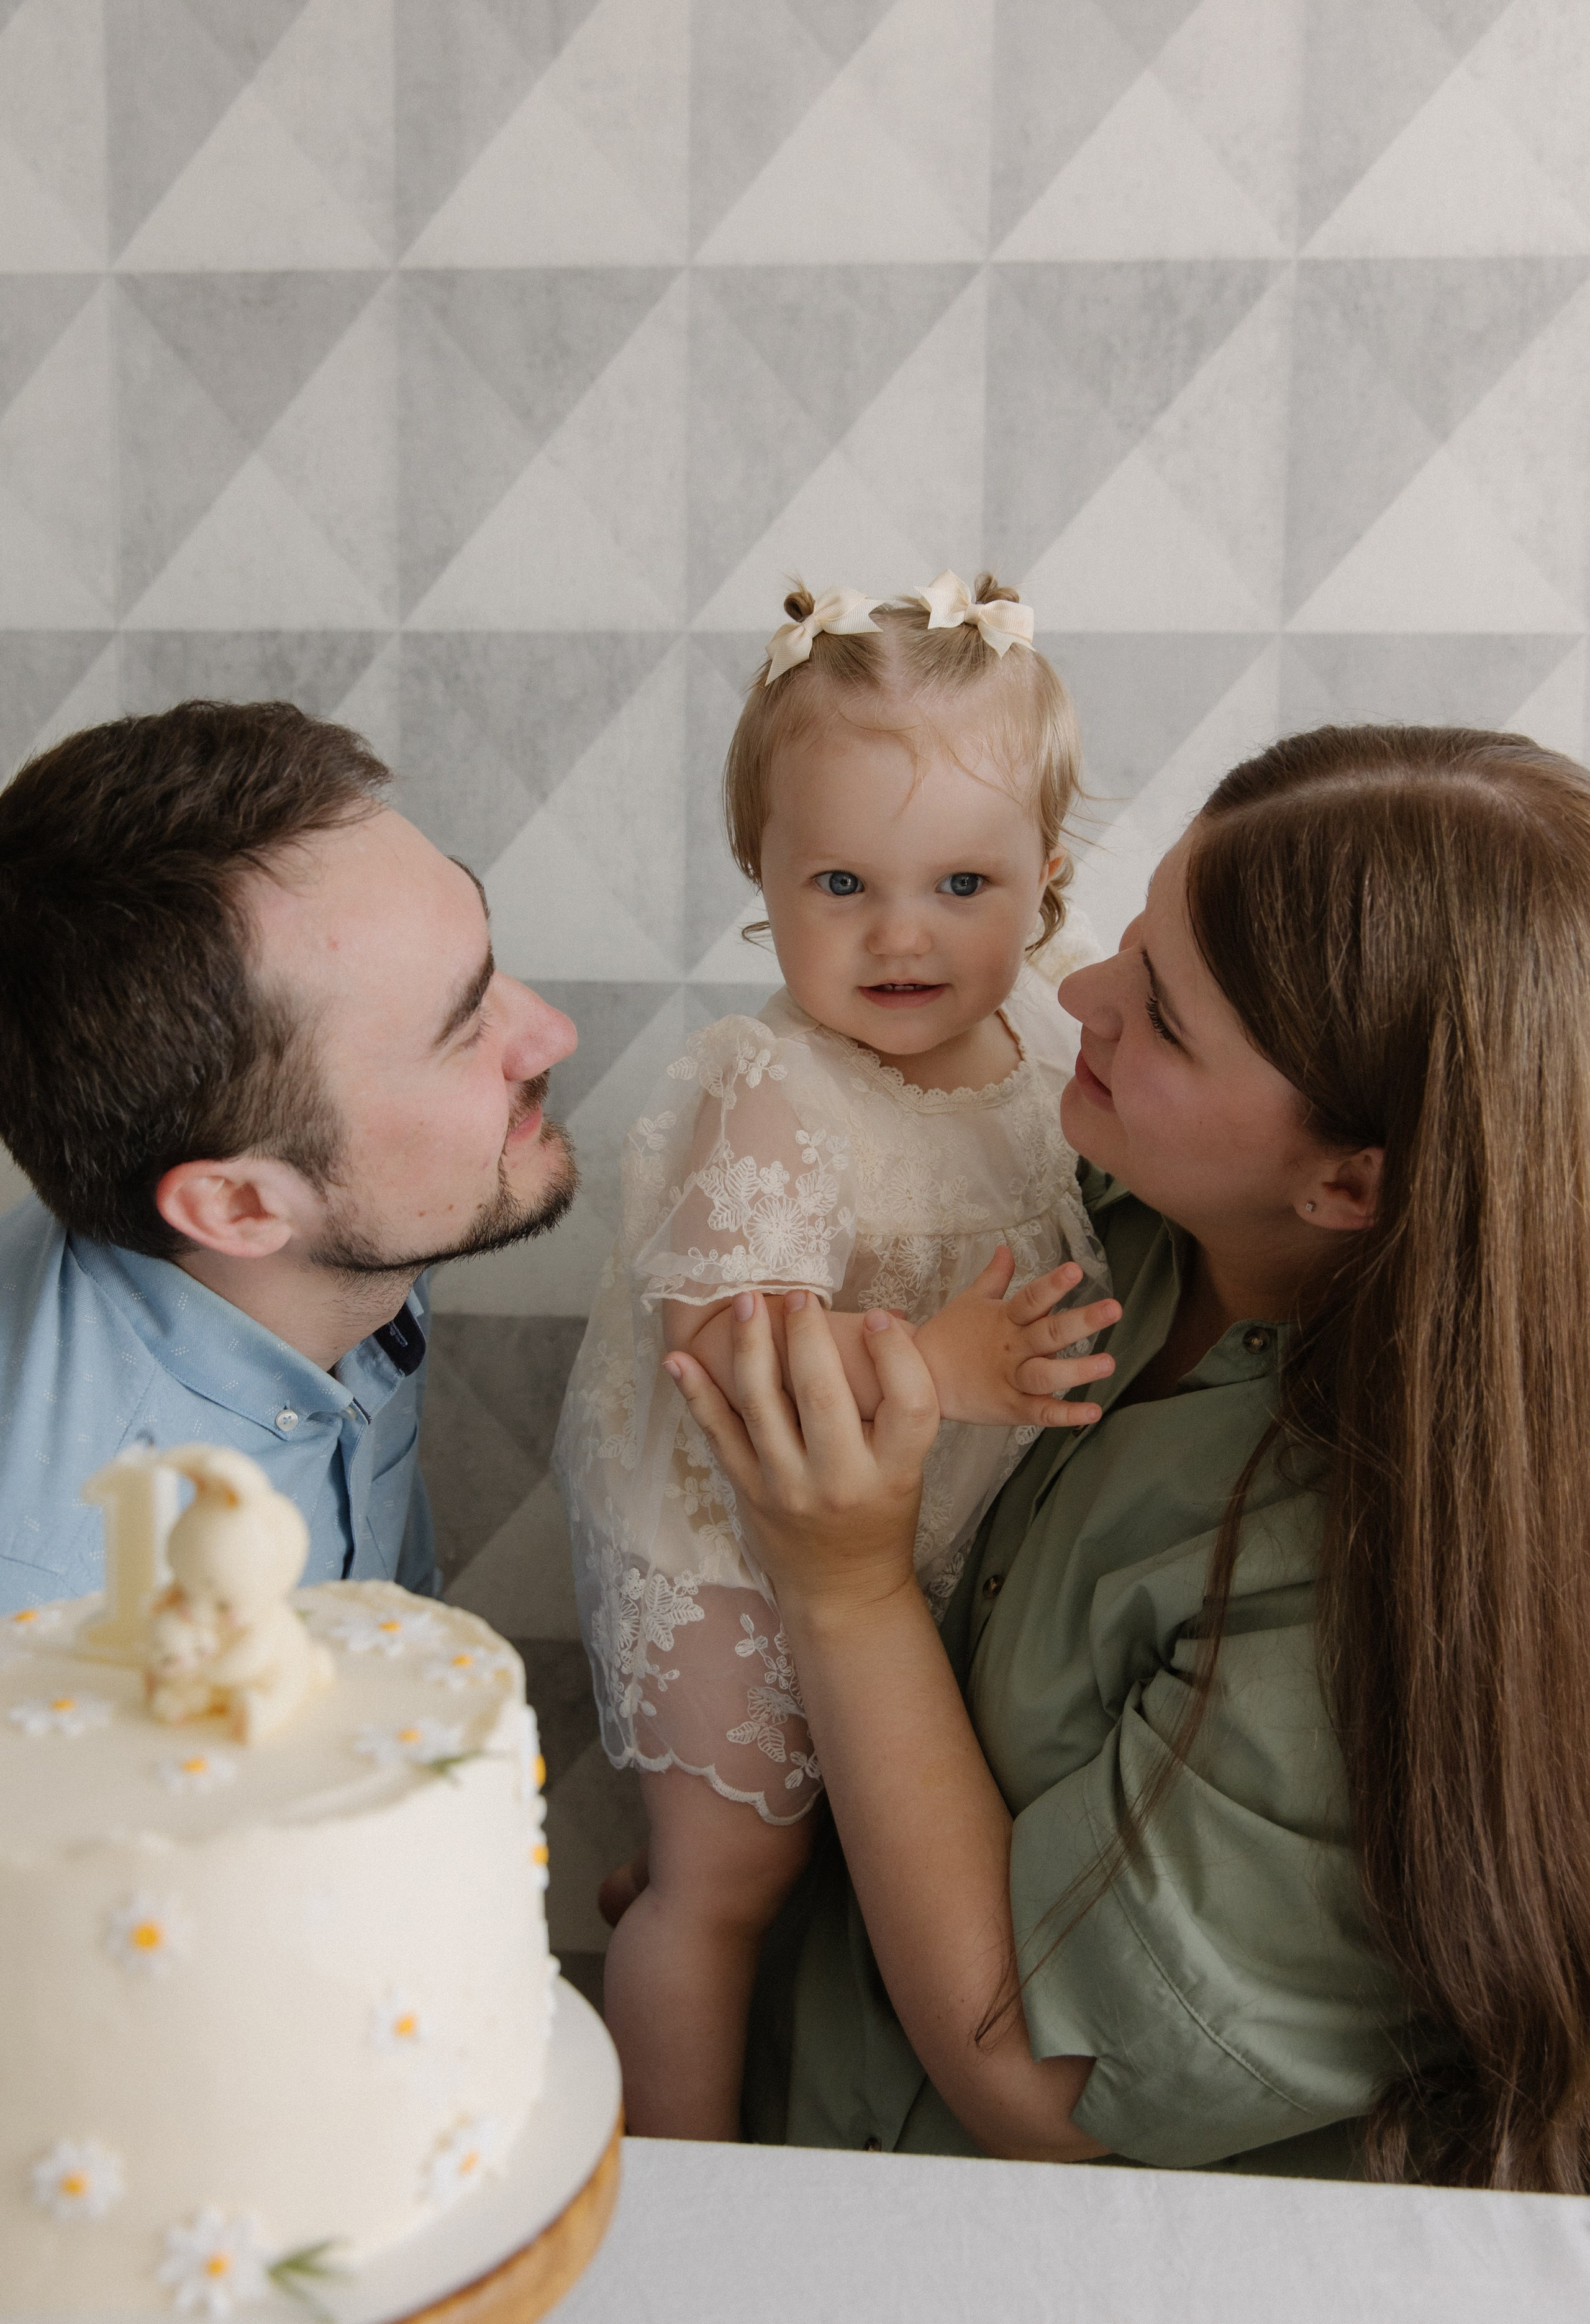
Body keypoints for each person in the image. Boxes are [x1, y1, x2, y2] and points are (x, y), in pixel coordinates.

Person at [658, 722, 1590, 2192]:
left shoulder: (1384, 1584)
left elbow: (1043, 2075)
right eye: (1128, 936)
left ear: (1350, 1181)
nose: (1073, 989)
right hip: (799, 2090)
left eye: (1157, 1016)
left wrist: (841, 1586)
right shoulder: (1115, 1216)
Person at [555, 574, 1121, 2140]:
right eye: (838, 883)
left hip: (914, 1533)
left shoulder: (1050, 1067)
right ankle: (675, 2177)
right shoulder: (770, 1086)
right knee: (723, 1878)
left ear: (1046, 882)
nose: (898, 935)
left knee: (874, 1846)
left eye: (958, 883)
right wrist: (932, 1368)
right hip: (740, 1536)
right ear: (761, 876)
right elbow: (729, 1366)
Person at [0, 700, 577, 1614]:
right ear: (238, 1208)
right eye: (464, 1027)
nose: (552, 1032)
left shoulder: (345, 1241)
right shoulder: (69, 1614)